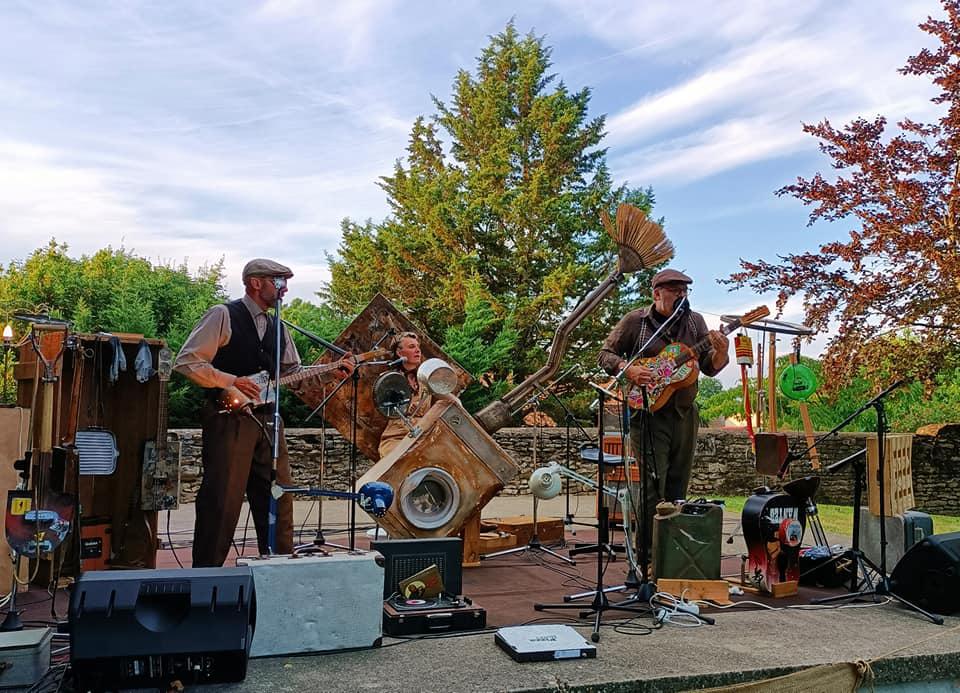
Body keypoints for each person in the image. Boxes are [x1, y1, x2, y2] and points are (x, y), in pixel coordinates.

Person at [174, 258, 354, 567]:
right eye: (278, 281)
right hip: (228, 418)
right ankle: (206, 578)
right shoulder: (223, 314)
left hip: (270, 419)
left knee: (279, 496)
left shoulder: (278, 325)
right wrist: (231, 382)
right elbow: (188, 361)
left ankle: (278, 571)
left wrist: (330, 372)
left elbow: (293, 374)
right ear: (256, 283)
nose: (284, 288)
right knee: (223, 500)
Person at [598, 268, 729, 546]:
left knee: (678, 484)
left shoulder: (695, 323)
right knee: (651, 487)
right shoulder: (637, 321)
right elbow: (605, 354)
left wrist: (722, 351)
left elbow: (709, 368)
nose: (682, 296)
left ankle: (670, 554)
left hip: (684, 413)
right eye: (674, 291)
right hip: (647, 413)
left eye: (685, 291)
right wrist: (627, 368)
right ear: (656, 294)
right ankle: (645, 554)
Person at [377, 331, 433, 458]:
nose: (418, 350)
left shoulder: (426, 378)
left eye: (418, 347)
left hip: (426, 434)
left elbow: (445, 399)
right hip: (398, 436)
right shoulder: (388, 380)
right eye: (412, 347)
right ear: (399, 352)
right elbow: (385, 408)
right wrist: (408, 407)